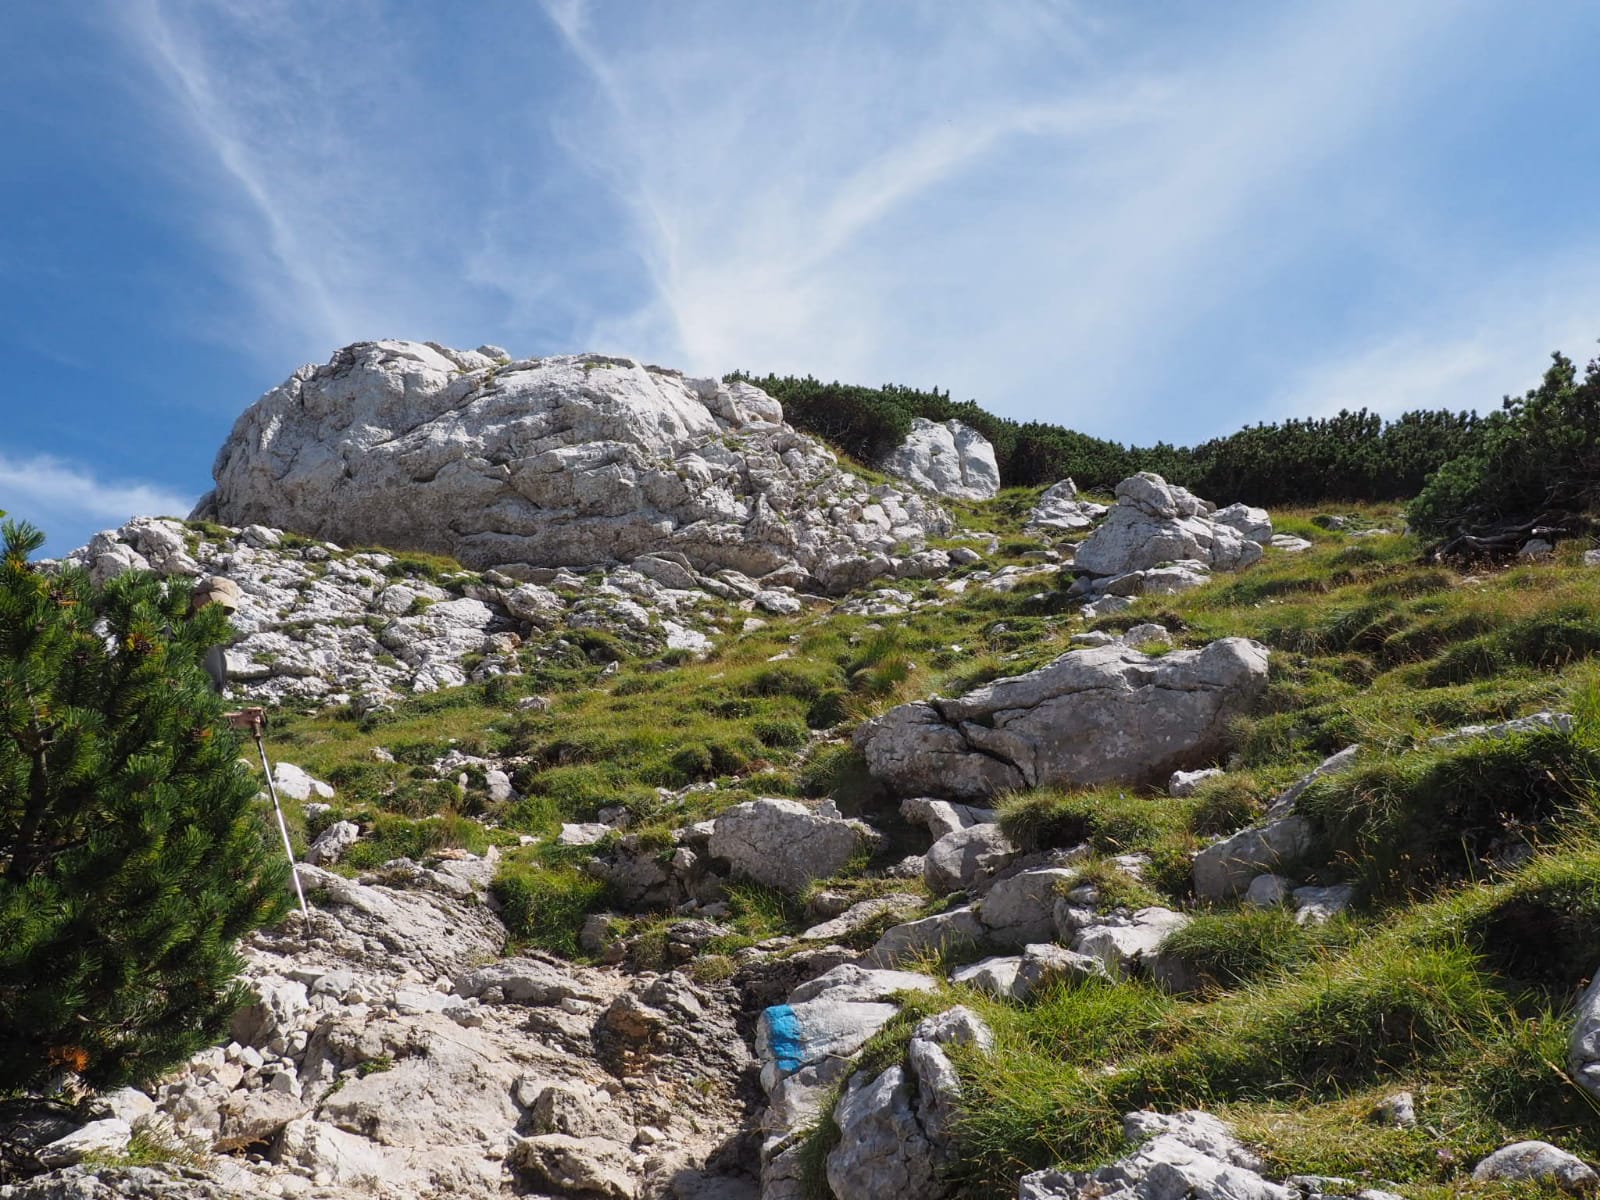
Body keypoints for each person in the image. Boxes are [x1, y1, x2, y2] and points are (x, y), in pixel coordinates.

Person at [190, 576, 266, 733]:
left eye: (225, 610)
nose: (217, 612)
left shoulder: (216, 650)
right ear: (196, 597)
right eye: (213, 603)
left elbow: (207, 715)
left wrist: (238, 719)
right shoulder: (168, 635)